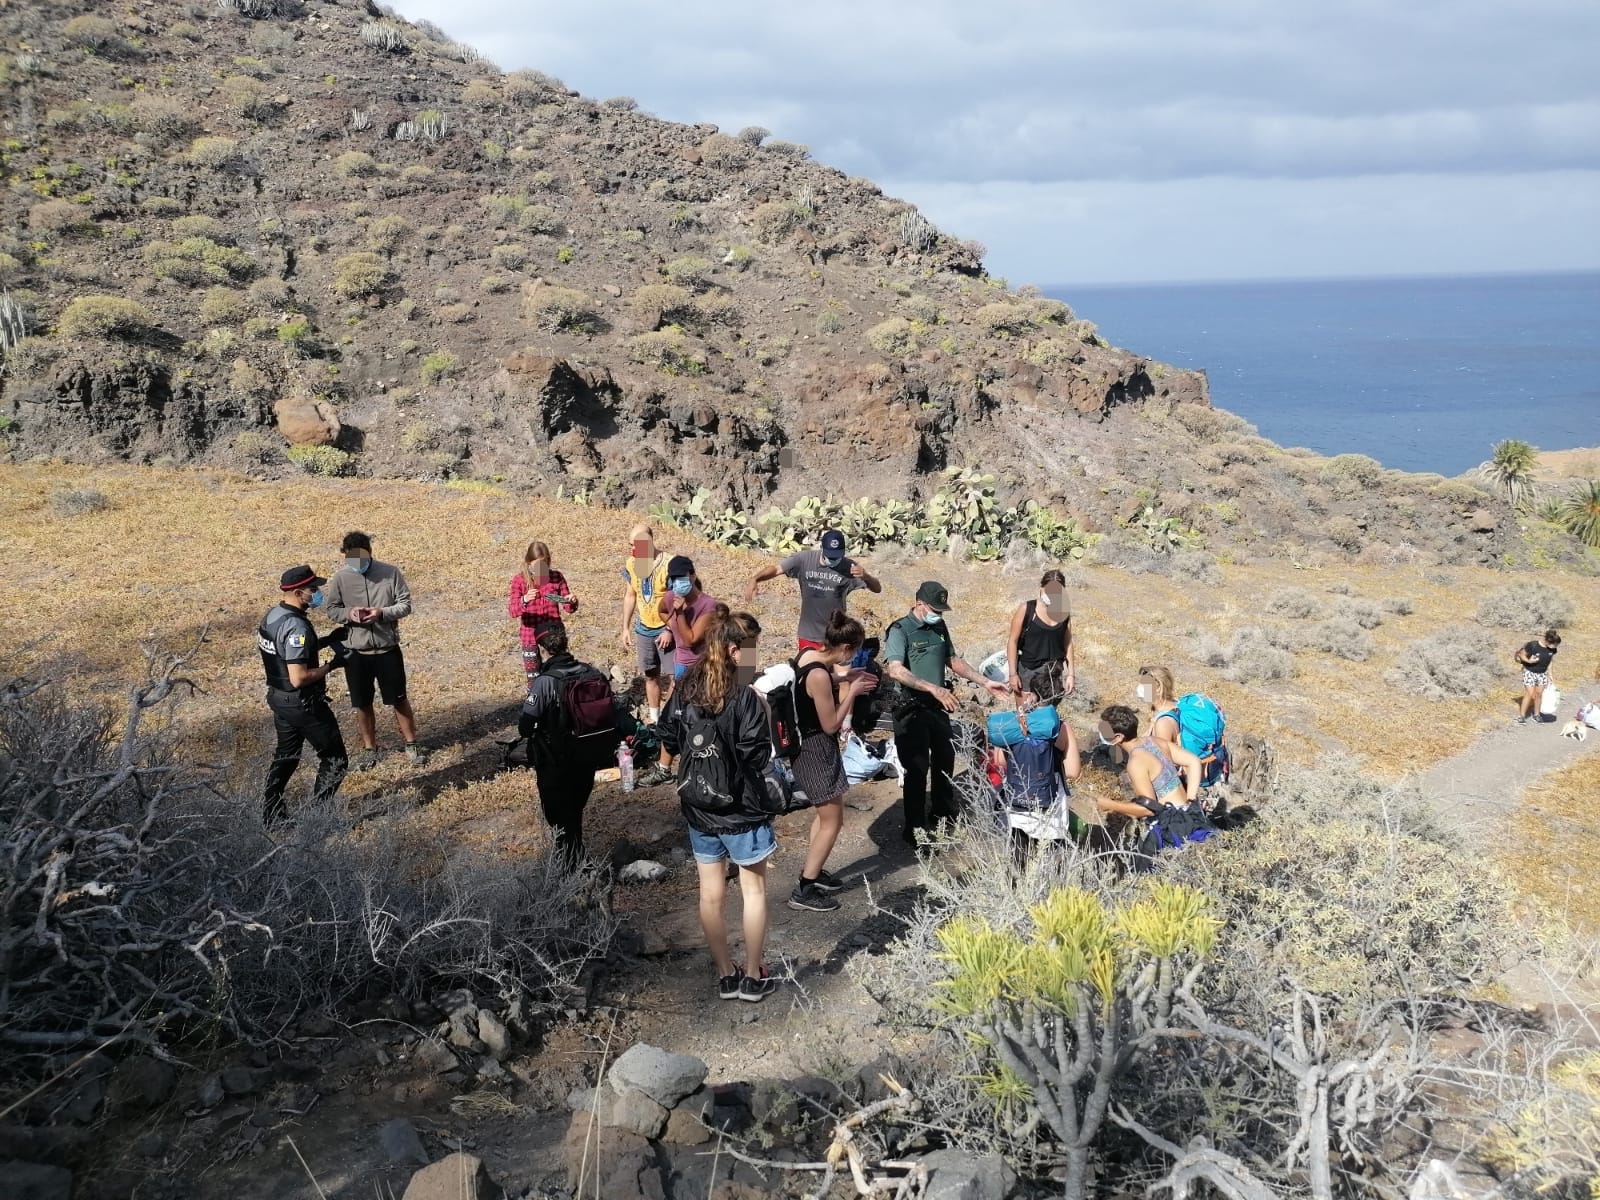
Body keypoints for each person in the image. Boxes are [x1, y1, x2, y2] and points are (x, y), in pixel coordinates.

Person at [659, 611, 779, 1002]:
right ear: (732, 651)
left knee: (710, 894)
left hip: (699, 805)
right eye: (750, 651)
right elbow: (757, 754)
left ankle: (726, 974)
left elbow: (668, 737)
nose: (755, 659)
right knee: (754, 891)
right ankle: (752, 975)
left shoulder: (686, 685)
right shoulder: (745, 695)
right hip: (742, 809)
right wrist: (766, 713)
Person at [883, 581, 1010, 848]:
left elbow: (952, 660)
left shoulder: (938, 627)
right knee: (917, 769)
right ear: (919, 604)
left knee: (945, 760)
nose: (938, 615)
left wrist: (983, 681)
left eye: (941, 610)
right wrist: (933, 688)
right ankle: (915, 829)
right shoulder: (900, 630)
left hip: (938, 707)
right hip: (911, 709)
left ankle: (943, 812)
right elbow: (895, 669)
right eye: (934, 609)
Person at [787, 613, 879, 912]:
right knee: (833, 821)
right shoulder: (818, 675)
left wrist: (843, 678)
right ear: (848, 649)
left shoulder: (810, 655)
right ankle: (804, 889)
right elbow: (831, 725)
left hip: (807, 745)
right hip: (815, 749)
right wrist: (851, 692)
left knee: (825, 814)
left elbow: (816, 682)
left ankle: (814, 871)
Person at [325, 531, 425, 769]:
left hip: (387, 649)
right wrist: (350, 614)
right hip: (357, 653)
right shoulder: (341, 578)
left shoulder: (390, 573)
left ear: (369, 552)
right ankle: (370, 748)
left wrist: (382, 613)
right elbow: (331, 609)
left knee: (399, 699)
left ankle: (411, 744)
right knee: (362, 703)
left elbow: (405, 604)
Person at [259, 565, 349, 824]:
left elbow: (283, 653)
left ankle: (271, 813)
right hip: (303, 704)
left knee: (286, 756)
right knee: (335, 759)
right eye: (313, 589)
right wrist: (334, 664)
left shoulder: (273, 616)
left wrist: (325, 640)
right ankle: (319, 818)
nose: (317, 593)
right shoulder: (297, 627)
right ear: (298, 592)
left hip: (279, 699)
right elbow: (299, 677)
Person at [517, 625, 606, 869]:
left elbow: (525, 726)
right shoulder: (591, 672)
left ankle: (571, 869)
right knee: (574, 813)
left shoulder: (544, 683)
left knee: (559, 820)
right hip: (587, 758)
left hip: (556, 762)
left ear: (543, 651)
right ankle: (577, 860)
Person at [637, 557, 723, 788]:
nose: (678, 583)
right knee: (673, 717)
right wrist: (670, 622)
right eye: (674, 579)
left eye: (682, 578)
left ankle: (702, 769)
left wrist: (681, 614)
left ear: (693, 576)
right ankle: (664, 769)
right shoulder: (670, 598)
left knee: (699, 720)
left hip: (702, 670)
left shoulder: (707, 605)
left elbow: (691, 639)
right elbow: (661, 610)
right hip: (681, 668)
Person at [743, 528, 881, 652]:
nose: (833, 560)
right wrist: (755, 579)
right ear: (822, 548)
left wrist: (866, 576)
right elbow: (776, 569)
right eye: (830, 555)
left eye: (837, 556)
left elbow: (877, 589)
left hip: (835, 635)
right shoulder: (805, 559)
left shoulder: (850, 567)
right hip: (808, 633)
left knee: (832, 677)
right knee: (809, 672)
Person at [985, 710, 1082, 856]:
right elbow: (1073, 772)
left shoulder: (1011, 723)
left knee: (1018, 857)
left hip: (1017, 805)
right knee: (1049, 858)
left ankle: (1016, 878)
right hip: (1050, 808)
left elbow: (1000, 761)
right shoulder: (1062, 728)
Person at [1090, 705, 1202, 822]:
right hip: (1190, 816)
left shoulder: (1136, 762)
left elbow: (1148, 809)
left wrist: (1110, 805)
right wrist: (1190, 802)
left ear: (1118, 737)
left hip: (1174, 823)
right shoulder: (1155, 741)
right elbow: (1193, 761)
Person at [618, 524, 671, 725]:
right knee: (651, 675)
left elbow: (679, 601)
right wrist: (625, 627)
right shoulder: (632, 563)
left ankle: (671, 716)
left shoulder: (668, 564)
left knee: (676, 677)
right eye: (630, 545)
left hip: (666, 629)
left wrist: (669, 629)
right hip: (644, 629)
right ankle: (655, 717)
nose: (632, 549)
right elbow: (631, 594)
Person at [509, 540, 577, 689]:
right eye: (538, 565)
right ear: (529, 563)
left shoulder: (556, 578)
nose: (542, 569)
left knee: (559, 672)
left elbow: (568, 608)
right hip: (530, 636)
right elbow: (513, 611)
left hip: (553, 634)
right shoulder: (520, 581)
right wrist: (524, 600)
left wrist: (571, 601)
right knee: (534, 678)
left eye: (545, 564)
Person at [1005, 569, 1075, 704]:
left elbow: (1068, 643)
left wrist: (1071, 674)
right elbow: (1012, 641)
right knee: (1025, 714)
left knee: (1048, 713)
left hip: (1053, 672)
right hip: (1029, 671)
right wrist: (1013, 674)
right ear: (1041, 587)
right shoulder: (1027, 609)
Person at [1514, 629, 1561, 724]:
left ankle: (1537, 715)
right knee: (1530, 694)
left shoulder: (1552, 649)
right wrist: (1529, 661)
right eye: (1554, 644)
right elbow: (1522, 655)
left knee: (1539, 694)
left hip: (1542, 673)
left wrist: (1550, 674)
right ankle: (1522, 716)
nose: (1555, 647)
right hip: (1529, 672)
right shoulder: (1533, 645)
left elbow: (1550, 661)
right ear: (1547, 641)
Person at [1137, 665, 1181, 754]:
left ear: (1158, 688)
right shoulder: (1175, 703)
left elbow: (1165, 761)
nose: (1140, 688)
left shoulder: (1163, 723)